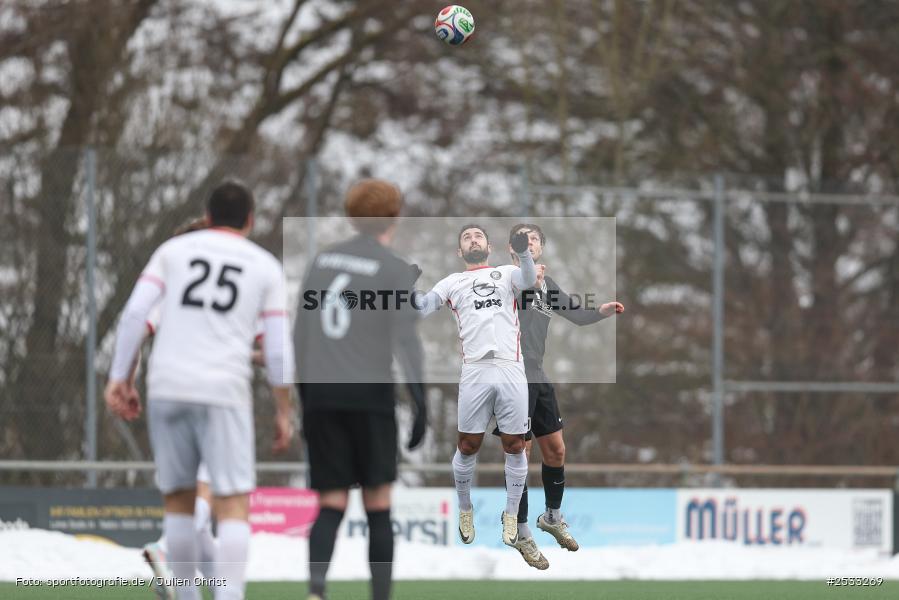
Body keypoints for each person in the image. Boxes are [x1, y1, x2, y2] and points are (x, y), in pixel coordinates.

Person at [105, 181, 295, 600]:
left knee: (178, 500)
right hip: (223, 392)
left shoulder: (171, 253)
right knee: (231, 505)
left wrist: (121, 377)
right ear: (250, 220)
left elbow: (135, 312)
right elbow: (278, 349)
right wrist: (284, 408)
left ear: (207, 218)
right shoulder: (263, 265)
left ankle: (186, 594)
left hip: (167, 387)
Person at [294, 179, 427, 600]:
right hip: (369, 400)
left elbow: (300, 337)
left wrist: (305, 401)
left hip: (322, 399)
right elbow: (407, 342)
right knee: (378, 504)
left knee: (330, 502)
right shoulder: (393, 268)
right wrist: (422, 404)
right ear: (394, 215)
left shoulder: (320, 262)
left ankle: (317, 590)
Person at [498, 223, 624, 569]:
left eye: (535, 237)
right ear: (513, 247)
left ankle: (551, 517)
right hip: (513, 374)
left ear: (540, 247)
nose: (530, 241)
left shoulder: (547, 285)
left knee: (555, 450)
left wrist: (600, 312)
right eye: (524, 238)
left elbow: (577, 316)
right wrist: (528, 278)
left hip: (537, 374)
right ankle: (522, 530)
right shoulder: (505, 278)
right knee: (519, 453)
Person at [416, 224, 537, 548]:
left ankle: (511, 514)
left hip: (511, 366)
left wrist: (524, 252)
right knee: (468, 445)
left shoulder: (507, 272)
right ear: (460, 251)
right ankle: (465, 508)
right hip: (475, 370)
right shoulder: (452, 282)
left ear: (489, 246)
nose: (473, 239)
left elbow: (528, 280)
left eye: (478, 236)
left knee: (514, 444)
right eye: (466, 237)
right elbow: (422, 309)